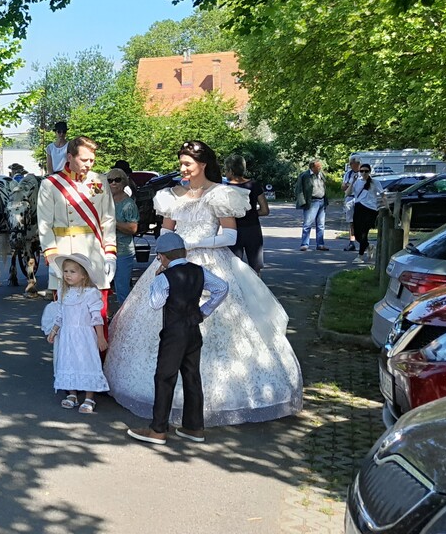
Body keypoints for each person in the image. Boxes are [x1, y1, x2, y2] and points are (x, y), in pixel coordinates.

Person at [105, 140, 303, 428]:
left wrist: (193, 244)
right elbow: (166, 229)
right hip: (173, 262)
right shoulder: (171, 195)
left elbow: (230, 236)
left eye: (187, 164)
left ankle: (213, 400)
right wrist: (167, 249)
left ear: (203, 164)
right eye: (181, 163)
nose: (182, 169)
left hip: (210, 261)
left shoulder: (221, 194)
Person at [125, 232, 229, 445]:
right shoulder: (198, 271)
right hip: (193, 329)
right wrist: (204, 311)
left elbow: (156, 303)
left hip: (174, 332)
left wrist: (156, 280)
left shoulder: (165, 277)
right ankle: (194, 427)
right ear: (183, 252)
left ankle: (158, 429)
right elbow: (222, 287)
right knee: (192, 376)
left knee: (165, 378)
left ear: (162, 257)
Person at [36, 136, 117, 316]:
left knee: (98, 315)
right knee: (66, 318)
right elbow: (44, 225)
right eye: (84, 159)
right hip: (65, 255)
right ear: (70, 157)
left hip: (94, 254)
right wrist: (53, 259)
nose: (88, 164)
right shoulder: (50, 185)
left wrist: (110, 254)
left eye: (92, 160)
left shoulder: (100, 181)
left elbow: (108, 220)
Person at [43, 254, 109, 415]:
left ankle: (89, 396)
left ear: (83, 275)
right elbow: (60, 315)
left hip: (84, 335)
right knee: (68, 362)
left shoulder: (90, 293)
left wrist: (100, 337)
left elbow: (96, 317)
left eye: (72, 271)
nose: (68, 275)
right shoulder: (63, 292)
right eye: (66, 271)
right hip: (67, 336)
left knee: (86, 362)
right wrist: (54, 331)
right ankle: (72, 394)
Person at [224, 154, 269, 273]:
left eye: (225, 170)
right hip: (253, 229)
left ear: (231, 171)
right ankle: (258, 290)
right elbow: (265, 210)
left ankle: (238, 291)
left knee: (233, 266)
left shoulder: (224, 188)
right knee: (256, 267)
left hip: (232, 230)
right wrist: (252, 213)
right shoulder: (254, 185)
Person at [107, 168, 139, 305]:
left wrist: (113, 222)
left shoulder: (128, 204)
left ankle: (124, 321)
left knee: (122, 288)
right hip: (106, 250)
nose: (113, 183)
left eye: (117, 180)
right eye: (110, 180)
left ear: (124, 182)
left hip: (123, 251)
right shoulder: (105, 202)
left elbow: (133, 228)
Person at [349, 164, 384, 265]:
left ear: (369, 172)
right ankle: (369, 246)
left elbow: (383, 195)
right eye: (362, 171)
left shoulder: (375, 182)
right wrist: (352, 182)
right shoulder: (357, 182)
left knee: (364, 233)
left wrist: (386, 207)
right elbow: (348, 193)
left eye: (366, 171)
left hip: (370, 209)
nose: (364, 173)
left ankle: (360, 256)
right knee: (356, 234)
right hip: (358, 208)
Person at [295, 159, 330, 251]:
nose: (320, 168)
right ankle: (305, 244)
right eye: (318, 167)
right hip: (311, 202)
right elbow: (299, 189)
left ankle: (320, 244)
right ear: (312, 167)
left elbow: (324, 187)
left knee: (321, 224)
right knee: (307, 224)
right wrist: (302, 202)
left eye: (320, 166)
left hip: (322, 201)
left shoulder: (321, 174)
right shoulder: (305, 175)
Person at [342, 157, 361, 252]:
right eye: (352, 164)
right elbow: (343, 187)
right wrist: (350, 184)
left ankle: (363, 242)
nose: (353, 166)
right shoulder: (348, 174)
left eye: (356, 164)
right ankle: (352, 242)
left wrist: (350, 185)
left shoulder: (363, 173)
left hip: (360, 199)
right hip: (350, 198)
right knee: (351, 222)